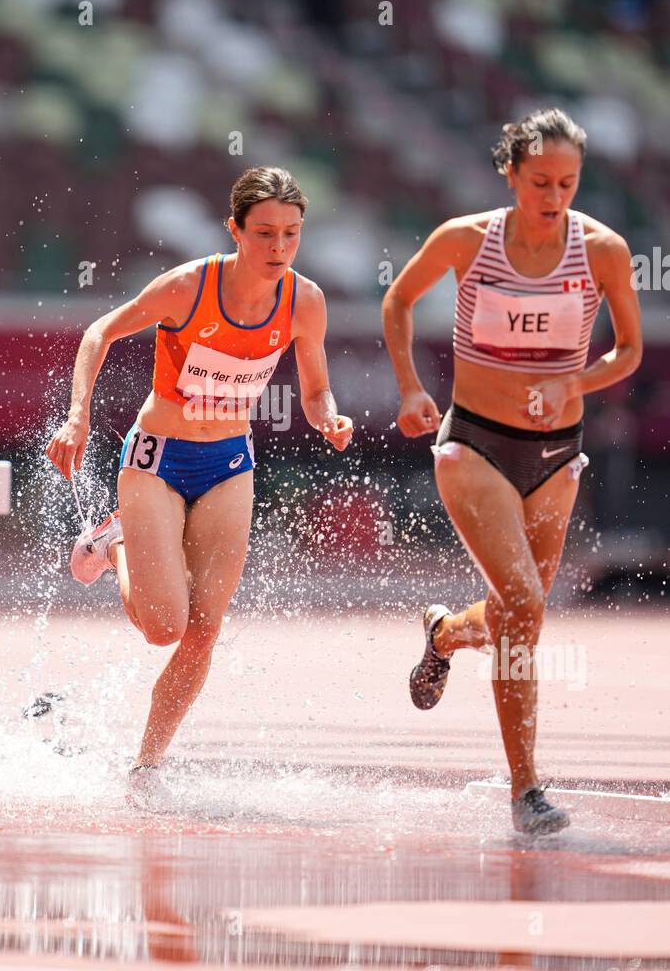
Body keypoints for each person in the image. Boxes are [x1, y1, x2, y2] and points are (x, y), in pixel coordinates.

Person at [46, 166, 353, 811]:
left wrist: (326, 415)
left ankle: (147, 765)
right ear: (235, 229)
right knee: (163, 626)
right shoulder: (189, 287)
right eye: (264, 232)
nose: (278, 248)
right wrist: (78, 415)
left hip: (230, 464)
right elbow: (99, 331)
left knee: (203, 632)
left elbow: (316, 383)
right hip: (157, 459)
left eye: (291, 235)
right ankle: (118, 540)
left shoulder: (305, 302)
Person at [382, 108, 642, 835]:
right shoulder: (468, 239)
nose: (554, 196)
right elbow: (399, 299)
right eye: (539, 182)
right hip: (475, 443)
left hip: (558, 454)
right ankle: (526, 790)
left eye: (567, 182)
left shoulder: (604, 251)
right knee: (525, 598)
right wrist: (409, 386)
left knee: (514, 615)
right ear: (510, 172)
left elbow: (628, 352)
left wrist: (576, 384)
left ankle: (441, 635)